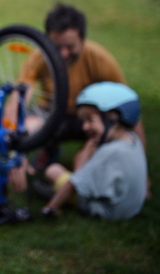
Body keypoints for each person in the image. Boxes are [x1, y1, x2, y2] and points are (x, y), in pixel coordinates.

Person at [8, 3, 147, 193]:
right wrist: (15, 151)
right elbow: (17, 100)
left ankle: (81, 173)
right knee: (29, 124)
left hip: (88, 118)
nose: (64, 54)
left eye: (70, 47)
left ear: (82, 39)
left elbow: (130, 110)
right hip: (51, 115)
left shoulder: (100, 59)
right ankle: (49, 149)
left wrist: (144, 172)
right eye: (57, 47)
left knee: (90, 154)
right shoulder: (40, 58)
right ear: (47, 40)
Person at [41, 82, 147, 220]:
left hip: (106, 211)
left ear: (113, 118)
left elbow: (74, 183)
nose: (85, 127)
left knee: (53, 170)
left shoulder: (110, 152)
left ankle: (57, 195)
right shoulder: (134, 140)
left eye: (90, 120)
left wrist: (51, 207)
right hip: (131, 209)